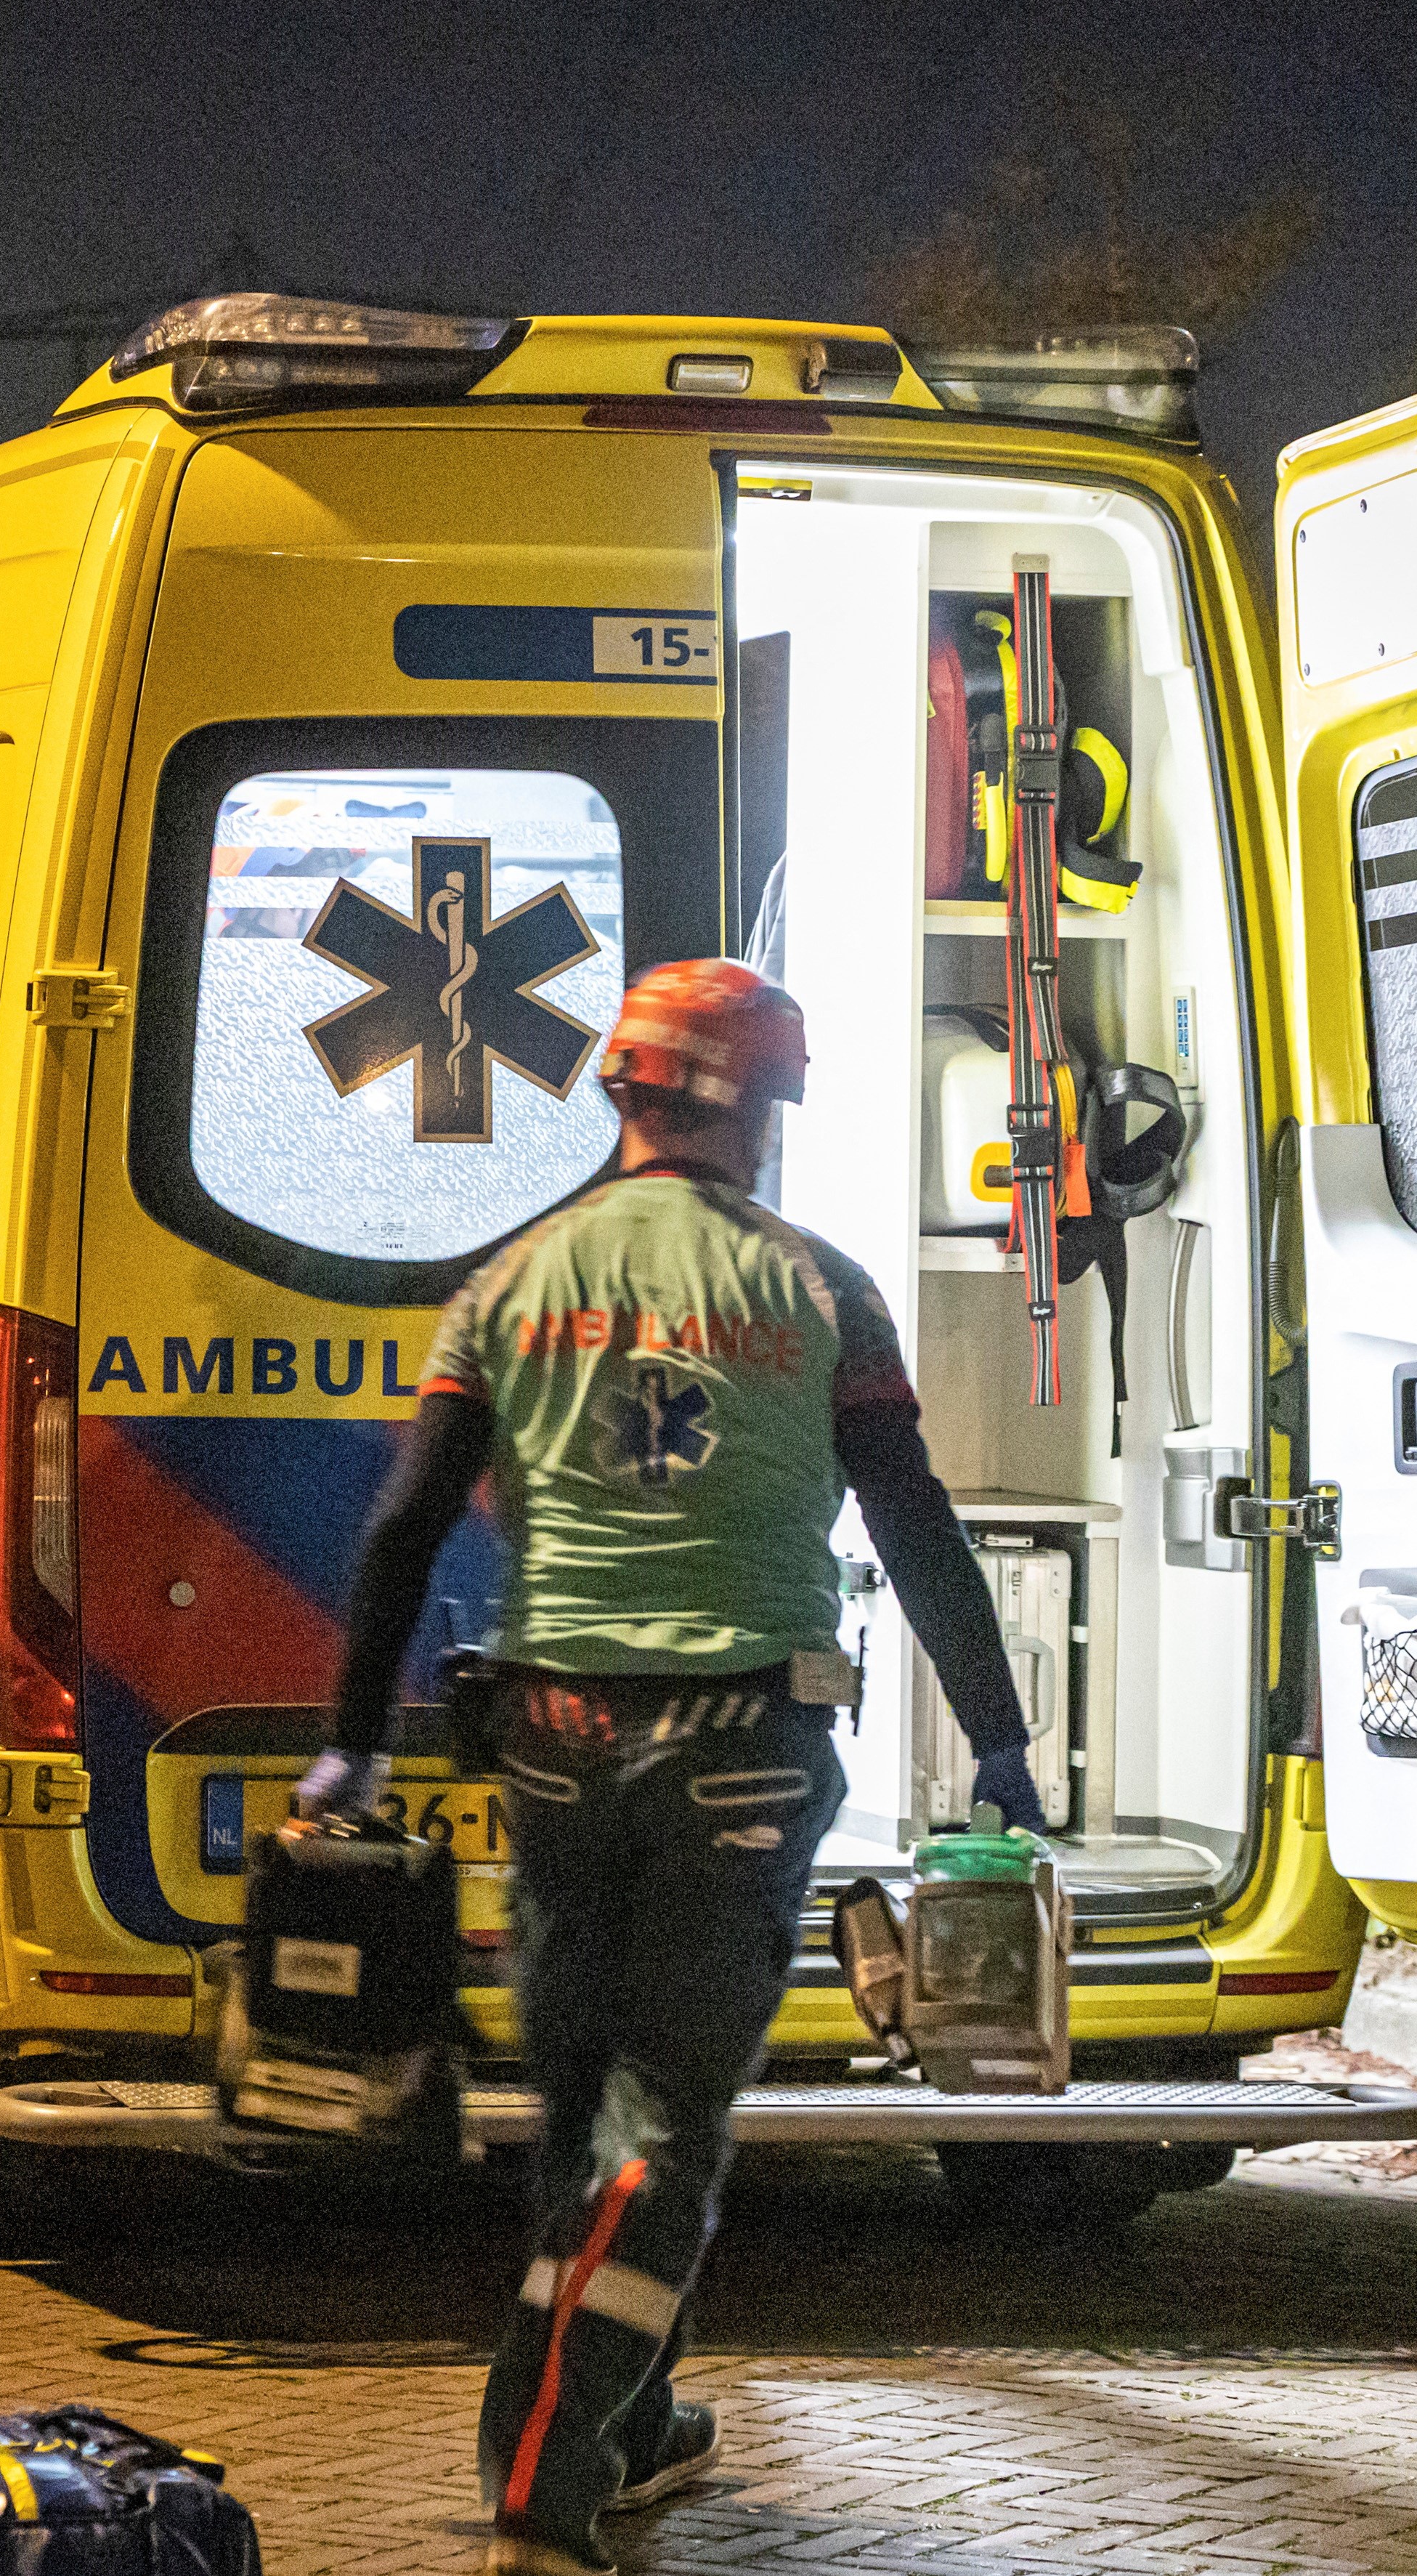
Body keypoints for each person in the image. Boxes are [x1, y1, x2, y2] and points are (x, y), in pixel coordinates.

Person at [301, 958, 1044, 2576]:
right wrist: (994, 1734)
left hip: (548, 1746)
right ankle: (548, 2472)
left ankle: (626, 2430)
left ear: (622, 1094)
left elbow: (403, 1526)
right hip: (740, 1758)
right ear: (758, 1109)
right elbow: (909, 1522)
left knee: (577, 2122)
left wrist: (350, 1745)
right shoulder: (821, 1291)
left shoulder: (508, 1284)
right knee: (666, 2133)